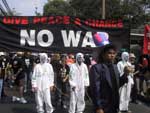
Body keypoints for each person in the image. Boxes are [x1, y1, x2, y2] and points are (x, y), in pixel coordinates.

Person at [90, 44, 129, 113]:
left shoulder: (115, 67)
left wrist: (125, 73)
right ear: (103, 54)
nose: (112, 55)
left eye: (114, 53)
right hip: (103, 105)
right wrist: (98, 107)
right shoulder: (96, 68)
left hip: (114, 104)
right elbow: (95, 89)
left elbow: (118, 84)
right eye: (109, 53)